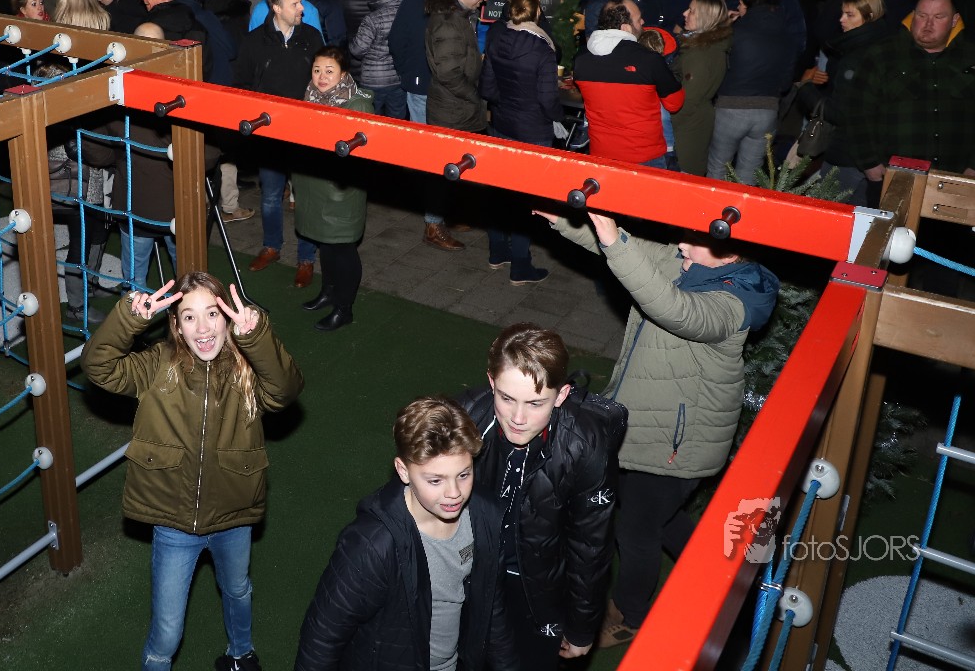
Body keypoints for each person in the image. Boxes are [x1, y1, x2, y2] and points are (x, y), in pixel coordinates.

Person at [534, 208, 778, 648]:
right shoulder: (691, 265)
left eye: (694, 240)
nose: (681, 244)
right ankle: (721, 576)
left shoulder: (733, 302)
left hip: (678, 446)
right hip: (651, 430)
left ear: (730, 255)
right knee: (656, 517)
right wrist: (563, 220)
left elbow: (675, 309)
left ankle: (631, 615)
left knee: (635, 531)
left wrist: (616, 243)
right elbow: (627, 248)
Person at [83, 274, 303, 671]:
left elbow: (286, 390)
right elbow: (98, 367)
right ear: (176, 325)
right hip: (174, 523)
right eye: (189, 317)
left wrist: (256, 337)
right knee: (167, 631)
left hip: (233, 515)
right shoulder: (156, 365)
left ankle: (241, 654)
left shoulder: (246, 370)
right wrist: (129, 320)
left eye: (212, 314)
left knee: (238, 590)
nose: (202, 328)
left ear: (228, 318)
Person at [295, 397, 515, 671]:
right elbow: (322, 638)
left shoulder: (485, 516)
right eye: (435, 480)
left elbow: (492, 610)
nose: (454, 493)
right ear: (403, 470)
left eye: (463, 474)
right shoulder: (372, 545)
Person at [457, 325, 624, 669]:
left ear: (561, 395)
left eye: (535, 403)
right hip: (471, 573)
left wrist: (581, 627)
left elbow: (590, 546)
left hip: (537, 588)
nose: (518, 418)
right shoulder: (465, 418)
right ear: (491, 383)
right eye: (506, 398)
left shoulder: (584, 446)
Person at [843, 0, 975, 184]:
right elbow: (857, 110)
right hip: (894, 175)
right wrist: (869, 162)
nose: (928, 24)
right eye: (922, 16)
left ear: (954, 20)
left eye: (939, 17)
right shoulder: (882, 55)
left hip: (957, 176)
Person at [236, 0, 324, 286]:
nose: (302, 9)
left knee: (306, 197)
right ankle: (271, 246)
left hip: (304, 131)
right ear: (276, 7)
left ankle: (306, 258)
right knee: (271, 195)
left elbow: (326, 81)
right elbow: (241, 85)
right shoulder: (253, 42)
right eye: (295, 4)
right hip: (270, 132)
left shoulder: (311, 37)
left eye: (300, 2)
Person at [480, 0, 559, 282]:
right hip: (533, 131)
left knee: (499, 192)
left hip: (502, 125)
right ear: (537, 13)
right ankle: (520, 264)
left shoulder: (496, 39)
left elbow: (487, 88)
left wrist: (507, 104)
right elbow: (548, 100)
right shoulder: (543, 49)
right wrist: (557, 118)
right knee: (526, 199)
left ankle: (497, 251)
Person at [292, 47, 374, 332]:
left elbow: (363, 153)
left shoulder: (357, 105)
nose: (321, 77)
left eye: (329, 71)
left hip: (341, 189)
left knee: (342, 247)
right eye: (317, 70)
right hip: (316, 185)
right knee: (324, 243)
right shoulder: (311, 95)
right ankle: (328, 292)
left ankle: (344, 308)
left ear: (343, 74)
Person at [795, 0, 892, 204]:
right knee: (861, 215)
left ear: (869, 16)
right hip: (875, 151)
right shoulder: (884, 46)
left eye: (849, 15)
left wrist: (806, 88)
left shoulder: (857, 57)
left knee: (828, 212)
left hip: (849, 152)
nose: (841, 20)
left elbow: (841, 113)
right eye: (842, 13)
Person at [421, 0, 490, 252]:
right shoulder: (448, 22)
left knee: (455, 168)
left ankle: (448, 216)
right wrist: (475, 97)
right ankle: (433, 226)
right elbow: (448, 73)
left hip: (457, 107)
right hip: (452, 109)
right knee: (442, 171)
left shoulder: (458, 15)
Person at [573, 0, 683, 169]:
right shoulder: (649, 60)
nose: (643, 22)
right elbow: (675, 103)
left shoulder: (581, 61)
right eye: (638, 20)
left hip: (601, 155)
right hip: (645, 158)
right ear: (625, 28)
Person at [707, 0, 797, 182]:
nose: (738, 8)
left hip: (730, 108)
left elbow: (715, 64)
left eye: (740, 4)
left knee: (718, 168)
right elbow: (785, 83)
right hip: (767, 112)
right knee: (749, 174)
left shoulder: (735, 32)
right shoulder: (787, 36)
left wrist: (724, 25)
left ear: (748, 5)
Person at [671, 0, 733, 176]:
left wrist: (664, 124)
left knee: (682, 177)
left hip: (687, 125)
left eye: (691, 11)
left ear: (705, 17)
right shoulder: (703, 46)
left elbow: (689, 99)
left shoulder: (701, 53)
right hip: (692, 121)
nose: (685, 13)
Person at [345, 0, 406, 119]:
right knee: (397, 121)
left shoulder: (373, 18)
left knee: (371, 119)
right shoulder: (408, 14)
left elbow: (358, 49)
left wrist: (351, 40)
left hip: (373, 80)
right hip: (399, 78)